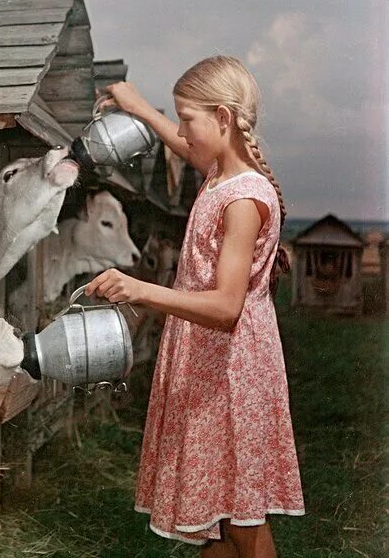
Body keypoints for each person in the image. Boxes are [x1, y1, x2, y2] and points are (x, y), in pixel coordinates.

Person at [85, 56, 304, 558]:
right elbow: (186, 146)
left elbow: (227, 307)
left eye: (189, 117)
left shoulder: (244, 199)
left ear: (223, 119)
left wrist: (140, 289)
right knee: (220, 519)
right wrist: (139, 107)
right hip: (207, 365)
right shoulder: (222, 174)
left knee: (244, 523)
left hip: (232, 372)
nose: (182, 130)